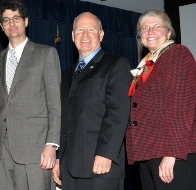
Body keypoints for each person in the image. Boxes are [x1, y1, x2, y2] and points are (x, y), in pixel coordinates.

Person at [125, 8, 196, 189]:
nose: (150, 31)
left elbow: (181, 107)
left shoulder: (177, 54)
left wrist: (172, 154)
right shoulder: (145, 67)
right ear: (140, 36)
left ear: (169, 32)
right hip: (150, 153)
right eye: (144, 28)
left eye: (157, 26)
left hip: (176, 154)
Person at [0, 0, 61, 189]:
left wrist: (52, 145)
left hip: (36, 149)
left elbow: (55, 105)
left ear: (26, 21)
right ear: (1, 26)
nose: (12, 23)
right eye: (6, 20)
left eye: (16, 18)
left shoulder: (46, 54)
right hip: (1, 152)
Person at [52, 12, 131, 190]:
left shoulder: (116, 64)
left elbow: (118, 113)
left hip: (101, 167)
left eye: (91, 29)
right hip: (69, 169)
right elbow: (63, 118)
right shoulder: (66, 75)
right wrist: (59, 158)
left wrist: (106, 154)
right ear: (73, 36)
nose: (85, 34)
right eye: (80, 29)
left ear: (101, 35)